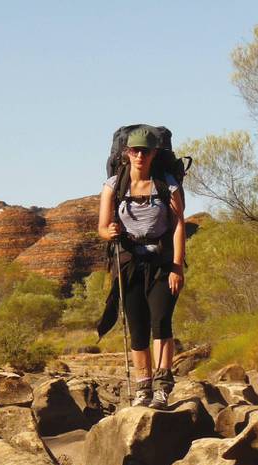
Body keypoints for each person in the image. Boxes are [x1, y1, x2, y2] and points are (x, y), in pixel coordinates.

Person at [97, 126, 186, 409]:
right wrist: (109, 232)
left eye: (145, 151)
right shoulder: (114, 186)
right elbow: (102, 227)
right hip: (129, 265)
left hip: (162, 264)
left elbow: (178, 225)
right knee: (138, 329)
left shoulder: (167, 185)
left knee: (161, 322)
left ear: (154, 154)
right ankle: (143, 388)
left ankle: (162, 387)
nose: (139, 156)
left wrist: (177, 267)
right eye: (135, 151)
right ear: (126, 153)